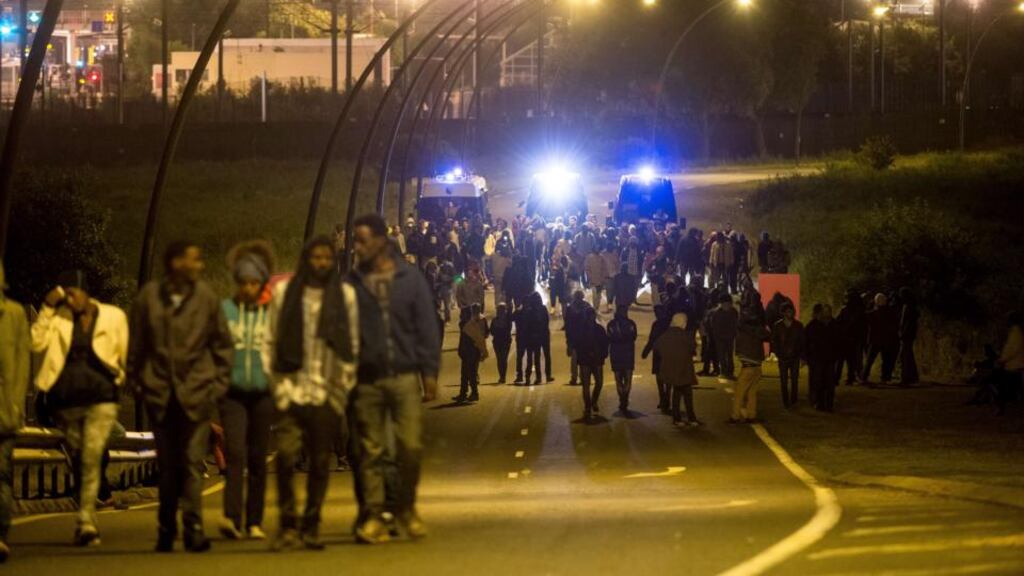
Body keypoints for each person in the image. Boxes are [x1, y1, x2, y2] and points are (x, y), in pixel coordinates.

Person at [128, 241, 234, 553]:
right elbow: (137, 345)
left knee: (191, 462)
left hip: (197, 393)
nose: (199, 265)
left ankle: (193, 527)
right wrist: (138, 383)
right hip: (160, 394)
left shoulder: (206, 299)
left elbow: (223, 346)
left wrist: (215, 385)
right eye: (193, 260)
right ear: (175, 263)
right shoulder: (149, 298)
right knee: (169, 464)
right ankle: (166, 526)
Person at [349, 214, 441, 544]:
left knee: (410, 447)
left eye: (361, 241)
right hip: (367, 379)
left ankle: (406, 508)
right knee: (371, 451)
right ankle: (373, 515)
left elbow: (426, 327)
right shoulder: (352, 284)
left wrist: (429, 372)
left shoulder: (409, 279)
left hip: (404, 377)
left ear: (380, 241)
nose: (357, 248)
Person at [262, 236, 358, 551]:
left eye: (326, 258)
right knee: (287, 457)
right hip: (292, 389)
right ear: (306, 260)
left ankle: (312, 524)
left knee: (319, 462)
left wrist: (342, 385)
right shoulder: (285, 294)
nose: (320, 263)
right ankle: (288, 524)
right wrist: (276, 386)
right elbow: (270, 338)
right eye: (315, 257)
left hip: (326, 392)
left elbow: (352, 344)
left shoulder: (343, 296)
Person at [31, 270, 128, 547]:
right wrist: (48, 308)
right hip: (66, 400)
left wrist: (118, 381)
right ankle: (88, 510)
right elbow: (35, 342)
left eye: (73, 293)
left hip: (100, 397)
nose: (70, 300)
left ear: (86, 292)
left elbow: (123, 350)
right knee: (81, 456)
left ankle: (86, 519)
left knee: (91, 453)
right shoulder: (57, 319)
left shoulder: (111, 316)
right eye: (65, 296)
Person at [214, 242, 276, 542]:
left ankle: (254, 520)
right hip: (232, 393)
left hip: (263, 393)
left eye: (254, 283)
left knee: (257, 457)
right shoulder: (224, 311)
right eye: (244, 282)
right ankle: (231, 517)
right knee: (235, 453)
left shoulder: (270, 314)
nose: (249, 288)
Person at [0, 261, 30, 562]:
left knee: (1, 473)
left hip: (3, 413)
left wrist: (15, 405)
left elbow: (21, 368)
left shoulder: (15, 315)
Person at [654, 313, 702, 427]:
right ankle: (691, 418)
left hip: (671, 368)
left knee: (676, 393)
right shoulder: (685, 335)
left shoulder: (665, 335)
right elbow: (692, 347)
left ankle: (677, 418)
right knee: (687, 395)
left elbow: (657, 347)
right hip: (684, 368)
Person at [730, 305, 769, 424]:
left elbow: (739, 349)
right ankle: (751, 415)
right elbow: (768, 336)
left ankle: (735, 416)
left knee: (739, 393)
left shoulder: (741, 330)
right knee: (752, 393)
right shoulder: (759, 330)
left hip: (747, 365)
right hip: (757, 365)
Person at [575, 307, 609, 421]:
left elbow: (605, 343)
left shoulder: (599, 329)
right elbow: (577, 344)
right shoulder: (581, 330)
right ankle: (588, 406)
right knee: (586, 385)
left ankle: (593, 401)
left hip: (596, 360)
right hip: (585, 360)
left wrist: (603, 355)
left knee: (599, 383)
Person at [805, 304, 841, 412]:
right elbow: (806, 342)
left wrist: (837, 355)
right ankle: (820, 404)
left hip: (830, 358)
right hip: (817, 359)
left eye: (828, 311)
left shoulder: (834, 325)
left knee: (830, 383)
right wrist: (807, 356)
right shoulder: (813, 325)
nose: (826, 314)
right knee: (819, 382)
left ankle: (829, 405)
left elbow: (839, 341)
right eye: (824, 311)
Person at [771, 303, 805, 408]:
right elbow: (774, 341)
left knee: (794, 380)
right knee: (784, 380)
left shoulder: (798, 326)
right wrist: (777, 353)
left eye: (791, 311)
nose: (790, 313)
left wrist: (802, 356)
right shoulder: (778, 326)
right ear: (784, 312)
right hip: (783, 357)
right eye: (788, 311)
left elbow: (802, 342)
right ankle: (786, 401)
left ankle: (794, 400)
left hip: (795, 357)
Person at [862, 293, 900, 384]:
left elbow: (866, 321)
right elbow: (895, 325)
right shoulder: (891, 313)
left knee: (870, 360)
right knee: (886, 360)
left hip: (875, 340)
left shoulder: (872, 314)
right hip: (886, 339)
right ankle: (885, 377)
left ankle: (864, 377)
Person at [606, 305, 638, 414]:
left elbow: (609, 338)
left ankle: (621, 399)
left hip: (616, 353)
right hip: (628, 352)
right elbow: (634, 337)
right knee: (628, 379)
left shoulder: (611, 324)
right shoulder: (631, 324)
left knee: (618, 379)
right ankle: (625, 399)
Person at [641, 308, 672, 414]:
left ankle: (663, 399)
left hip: (659, 353)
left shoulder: (657, 324)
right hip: (667, 353)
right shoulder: (669, 323)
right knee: (667, 378)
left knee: (660, 378)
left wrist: (646, 351)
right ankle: (666, 399)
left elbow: (652, 339)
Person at [455, 304, 488, 403]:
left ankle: (474, 393)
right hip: (468, 352)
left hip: (472, 352)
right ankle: (463, 393)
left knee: (471, 374)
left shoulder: (470, 325)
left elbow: (481, 335)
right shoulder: (469, 324)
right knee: (465, 374)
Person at [835, 289, 867, 386]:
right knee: (851, 360)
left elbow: (838, 321)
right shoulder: (861, 310)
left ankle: (837, 378)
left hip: (846, 338)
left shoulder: (845, 309)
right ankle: (850, 378)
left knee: (841, 359)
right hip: (855, 338)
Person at [710, 294, 739, 381]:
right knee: (723, 355)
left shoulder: (718, 312)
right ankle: (725, 372)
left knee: (727, 355)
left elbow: (713, 325)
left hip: (726, 337)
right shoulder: (732, 312)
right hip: (722, 337)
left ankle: (728, 372)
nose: (727, 305)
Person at [564, 291, 589, 386]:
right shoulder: (586, 307)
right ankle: (583, 377)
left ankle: (574, 378)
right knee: (583, 360)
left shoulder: (570, 308)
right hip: (583, 337)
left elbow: (568, 326)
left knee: (575, 360)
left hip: (575, 338)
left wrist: (568, 341)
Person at [898, 287, 920, 386]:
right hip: (909, 334)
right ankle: (913, 377)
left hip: (907, 335)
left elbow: (907, 322)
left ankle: (905, 378)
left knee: (904, 356)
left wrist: (902, 333)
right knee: (908, 355)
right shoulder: (910, 306)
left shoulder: (908, 306)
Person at [490, 303, 513, 384]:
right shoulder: (495, 320)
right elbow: (491, 331)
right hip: (498, 342)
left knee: (503, 358)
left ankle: (503, 376)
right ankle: (501, 376)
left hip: (505, 341)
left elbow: (508, 330)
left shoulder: (507, 320)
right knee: (500, 359)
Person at [584, 246, 609, 311]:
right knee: (595, 295)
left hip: (600, 280)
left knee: (598, 295)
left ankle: (596, 308)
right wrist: (589, 277)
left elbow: (604, 268)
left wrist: (603, 278)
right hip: (592, 280)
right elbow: (587, 268)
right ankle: (595, 308)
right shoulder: (589, 257)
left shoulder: (601, 257)